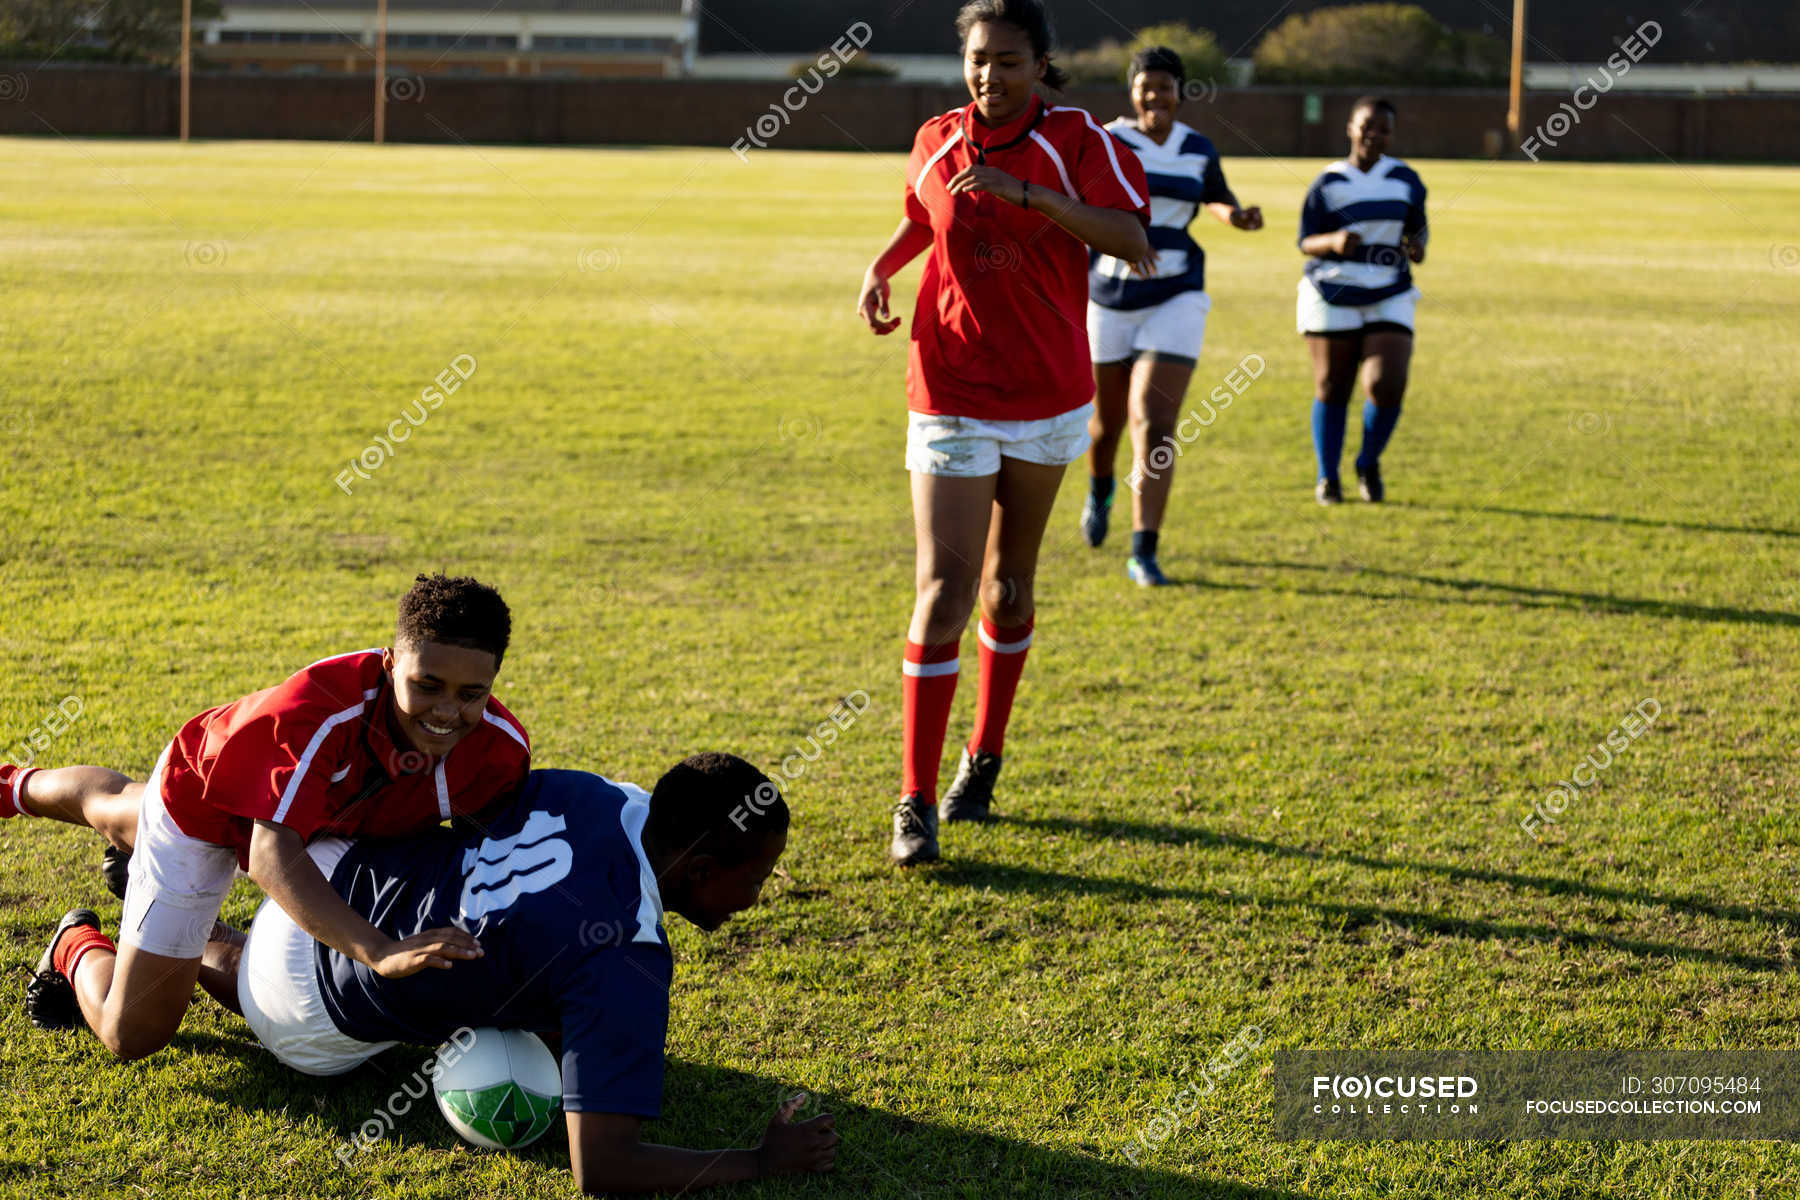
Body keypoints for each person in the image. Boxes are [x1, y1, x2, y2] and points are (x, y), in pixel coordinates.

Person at [32, 757, 838, 1194]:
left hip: (329, 869)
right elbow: (606, 1168)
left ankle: (154, 875)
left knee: (187, 836)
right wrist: (756, 1161)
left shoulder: (607, 797)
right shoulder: (625, 957)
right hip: (306, 989)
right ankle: (80, 948)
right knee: (261, 987)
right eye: (756, 874)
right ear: (697, 868)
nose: (759, 895)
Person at [855, 0, 1150, 865]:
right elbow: (924, 214)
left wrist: (1032, 196)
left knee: (1007, 591)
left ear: (1040, 64)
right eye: (979, 59)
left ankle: (983, 760)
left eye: (1009, 61)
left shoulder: (1081, 140)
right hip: (948, 386)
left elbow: (1133, 238)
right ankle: (914, 800)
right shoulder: (937, 135)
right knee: (943, 595)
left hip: (1048, 394)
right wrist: (881, 266)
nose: (990, 75)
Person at [10, 573, 532, 1061]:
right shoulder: (322, 708)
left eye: (471, 694)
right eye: (428, 685)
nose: (446, 711)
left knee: (284, 985)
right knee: (133, 1032)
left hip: (332, 831)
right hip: (208, 802)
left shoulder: (499, 753)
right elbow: (268, 854)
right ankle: (69, 931)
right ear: (392, 662)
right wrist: (378, 950)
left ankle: (184, 917)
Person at [1081, 45, 1264, 586]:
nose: (1155, 96)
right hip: (1109, 297)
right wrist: (1120, 245)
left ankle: (1144, 549)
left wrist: (1237, 216)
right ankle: (1099, 490)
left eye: (1165, 86)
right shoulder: (1107, 140)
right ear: (1132, 92)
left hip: (1178, 294)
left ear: (1180, 93)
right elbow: (1082, 204)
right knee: (1104, 427)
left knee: (1155, 423)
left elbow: (1216, 196)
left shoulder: (1197, 147)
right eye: (1146, 86)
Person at [1296, 96, 1429, 505]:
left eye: (1384, 129)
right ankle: (1327, 477)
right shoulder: (1329, 182)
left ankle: (1368, 462)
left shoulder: (1405, 179)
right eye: (1367, 125)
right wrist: (1334, 241)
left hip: (1388, 289)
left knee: (1387, 384)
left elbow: (1418, 230)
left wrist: (1417, 246)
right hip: (1332, 289)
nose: (1374, 134)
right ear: (1351, 128)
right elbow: (1305, 241)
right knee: (1334, 385)